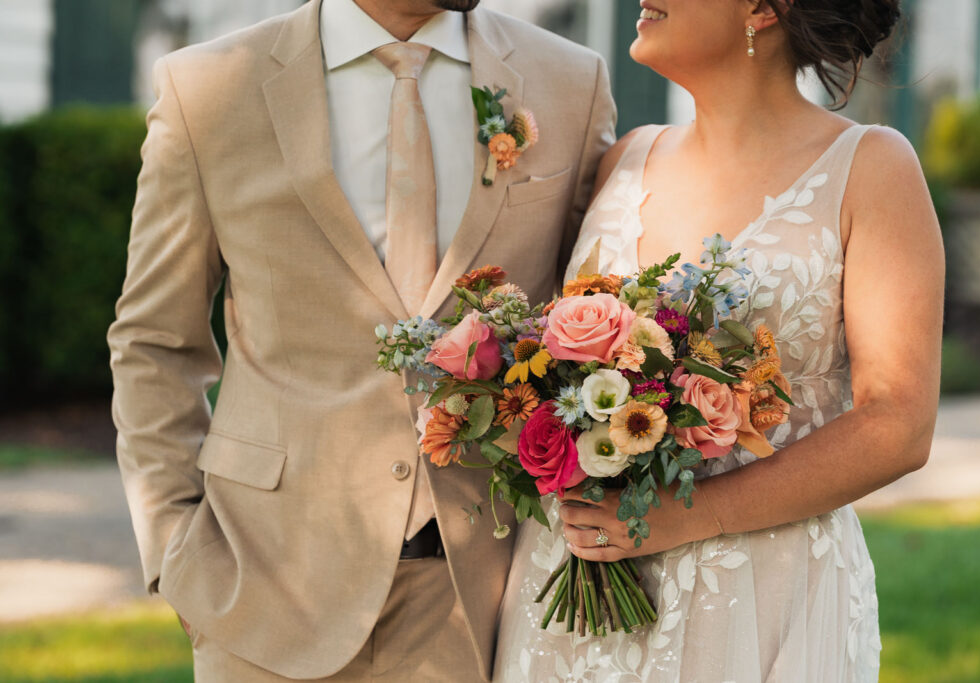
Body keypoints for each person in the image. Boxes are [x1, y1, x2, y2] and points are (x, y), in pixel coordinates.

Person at [107, 0, 615, 679]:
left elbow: (589, 317)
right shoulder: (206, 91)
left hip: (484, 598)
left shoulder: (569, 82)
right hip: (265, 590)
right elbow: (153, 341)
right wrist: (175, 549)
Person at [494, 0, 942, 680]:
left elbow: (897, 422)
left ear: (763, 7)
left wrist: (687, 515)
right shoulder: (624, 158)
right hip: (575, 592)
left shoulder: (872, 168)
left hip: (761, 594)